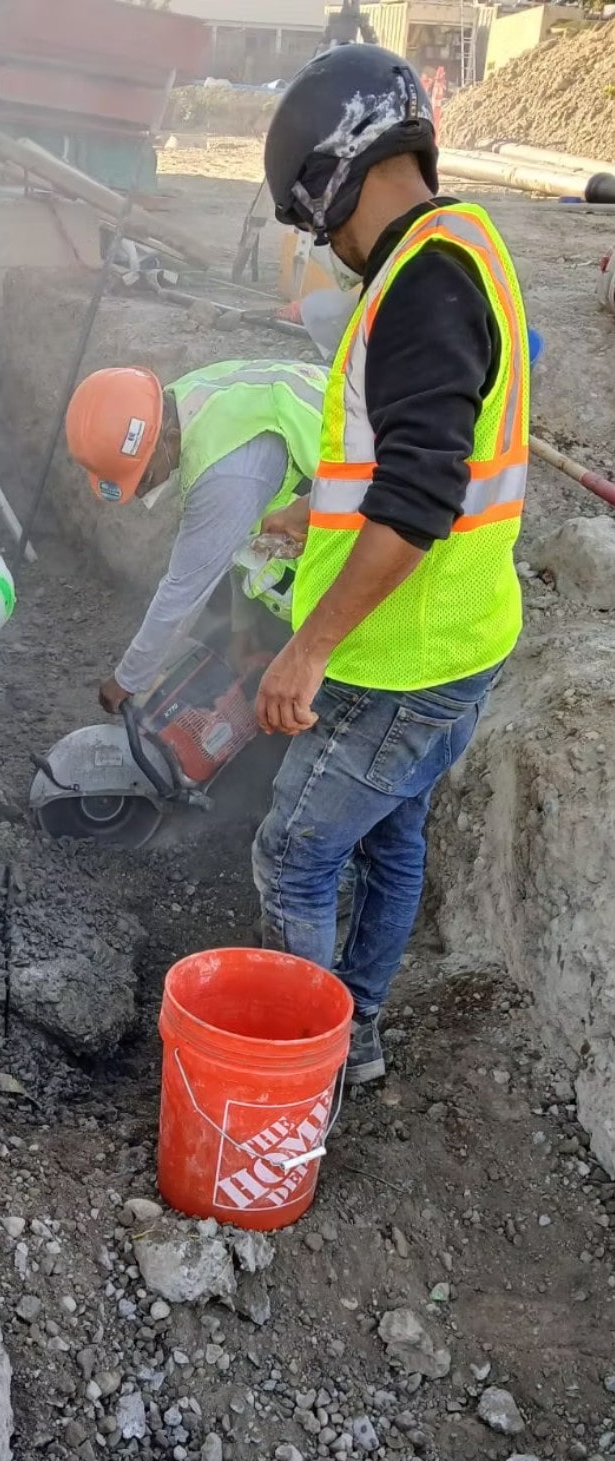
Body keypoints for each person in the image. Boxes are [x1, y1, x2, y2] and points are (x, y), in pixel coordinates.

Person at [253, 43, 529, 1084]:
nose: (319, 243)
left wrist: (307, 651)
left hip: (398, 664)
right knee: (387, 841)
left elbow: (418, 500)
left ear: (332, 176)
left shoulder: (419, 282)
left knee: (292, 853)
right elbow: (414, 455)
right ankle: (354, 1039)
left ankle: (294, 1079)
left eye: (309, 217)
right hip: (455, 641)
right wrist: (306, 511)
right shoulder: (465, 247)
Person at [64, 360, 326, 711]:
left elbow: (184, 589)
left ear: (169, 439)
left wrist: (127, 680)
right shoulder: (185, 401)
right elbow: (234, 537)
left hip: (371, 517)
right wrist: (243, 626)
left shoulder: (223, 471)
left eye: (142, 477)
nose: (142, 492)